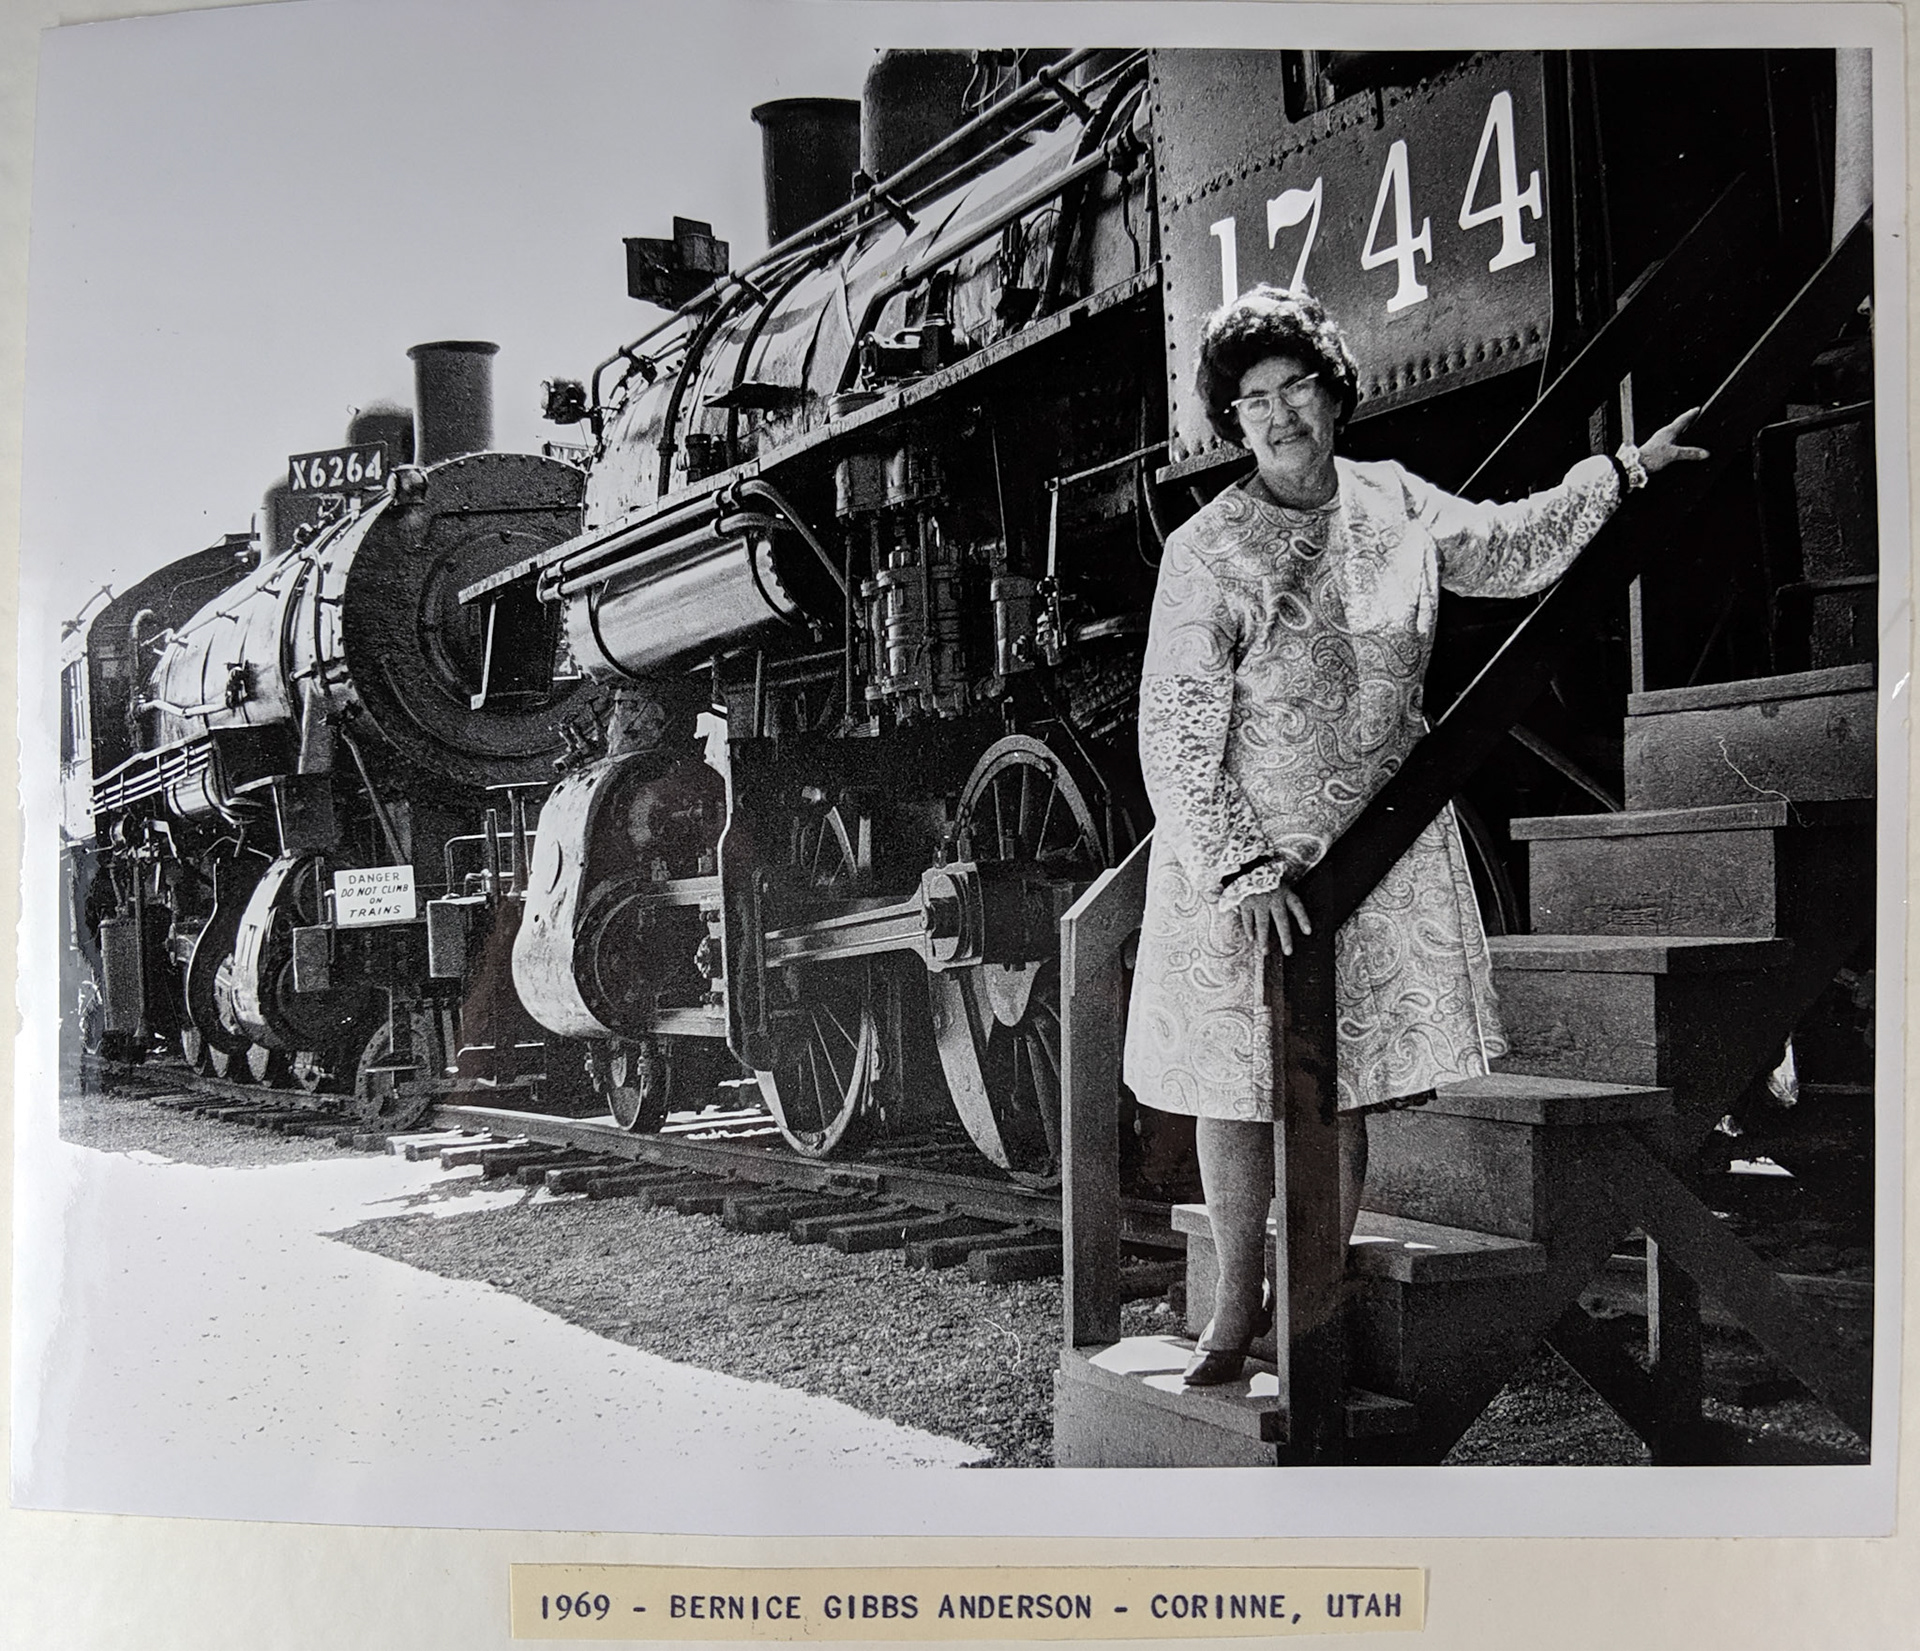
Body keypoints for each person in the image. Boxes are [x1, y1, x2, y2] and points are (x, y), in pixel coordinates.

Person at [1122, 286, 1707, 1386]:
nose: (1280, 414)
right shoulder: (1206, 550)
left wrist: (1619, 474)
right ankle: (1230, 1311)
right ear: (1234, 423)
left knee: (1339, 1088)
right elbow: (1176, 727)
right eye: (1253, 401)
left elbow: (1505, 545)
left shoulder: (1393, 500)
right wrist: (1239, 865)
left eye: (1296, 386)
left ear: (1334, 392)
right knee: (1240, 1089)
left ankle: (1310, 1309)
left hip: (1372, 852)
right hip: (1248, 867)